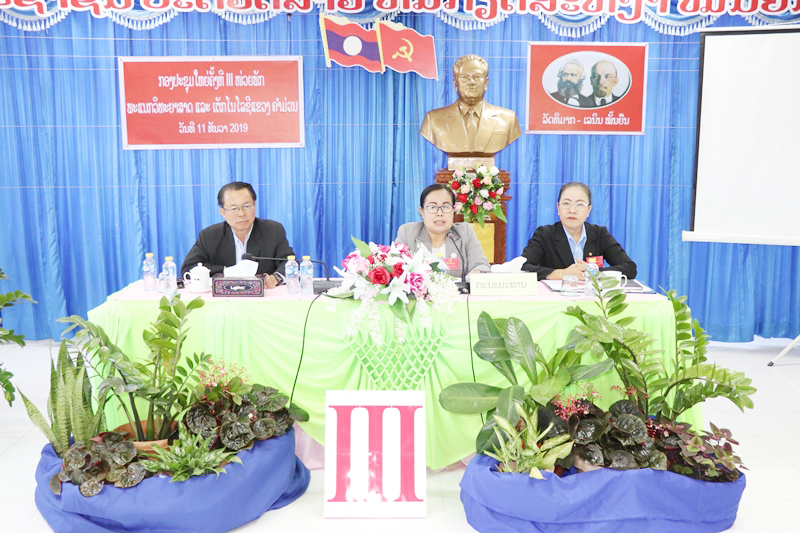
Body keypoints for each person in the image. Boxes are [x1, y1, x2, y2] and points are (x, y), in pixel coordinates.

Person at [181, 182, 294, 289]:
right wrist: (227, 272)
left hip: (263, 296)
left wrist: (275, 278)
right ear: (223, 212)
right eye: (234, 208)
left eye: (246, 206)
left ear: (254, 205)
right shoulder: (209, 236)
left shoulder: (273, 231)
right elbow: (189, 268)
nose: (241, 214)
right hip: (223, 298)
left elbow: (289, 262)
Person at [521, 182, 636, 280]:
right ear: (558, 208)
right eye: (566, 203)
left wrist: (593, 272)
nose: (572, 210)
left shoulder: (600, 234)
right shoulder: (544, 234)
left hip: (592, 296)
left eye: (580, 204)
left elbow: (630, 268)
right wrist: (562, 274)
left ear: (588, 210)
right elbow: (523, 268)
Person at [420, 55, 521, 156]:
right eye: (464, 77)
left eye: (477, 77)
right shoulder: (433, 120)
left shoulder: (508, 119)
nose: (471, 82)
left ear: (486, 82)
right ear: (455, 83)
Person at [395, 183, 490, 279]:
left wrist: (474, 275)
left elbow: (481, 265)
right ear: (422, 212)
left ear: (453, 210)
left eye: (445, 207)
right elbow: (395, 267)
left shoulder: (464, 232)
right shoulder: (408, 233)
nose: (439, 213)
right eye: (433, 207)